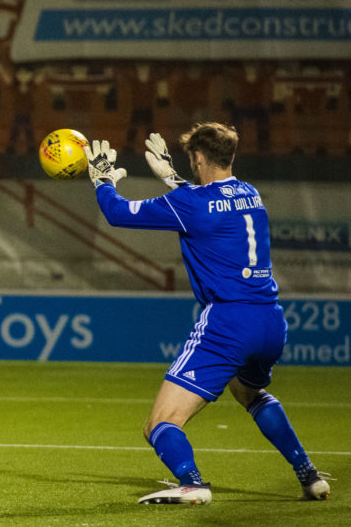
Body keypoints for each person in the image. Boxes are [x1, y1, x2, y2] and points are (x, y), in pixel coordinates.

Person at [83, 123, 331, 505]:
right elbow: (212, 204)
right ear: (229, 156)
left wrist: (101, 180)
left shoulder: (190, 203)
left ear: (198, 157)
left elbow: (118, 213)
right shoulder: (250, 193)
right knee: (248, 392)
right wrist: (175, 179)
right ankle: (309, 475)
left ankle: (191, 482)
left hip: (228, 323)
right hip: (270, 320)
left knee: (160, 424)